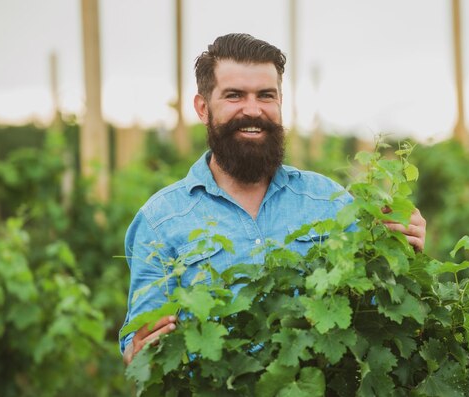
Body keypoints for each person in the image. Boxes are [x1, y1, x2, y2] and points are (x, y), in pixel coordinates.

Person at [120, 33, 426, 365]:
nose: (253, 110)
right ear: (203, 108)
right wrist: (137, 351)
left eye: (266, 95)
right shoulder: (160, 220)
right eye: (234, 95)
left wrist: (400, 248)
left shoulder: (331, 202)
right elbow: (140, 342)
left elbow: (373, 306)